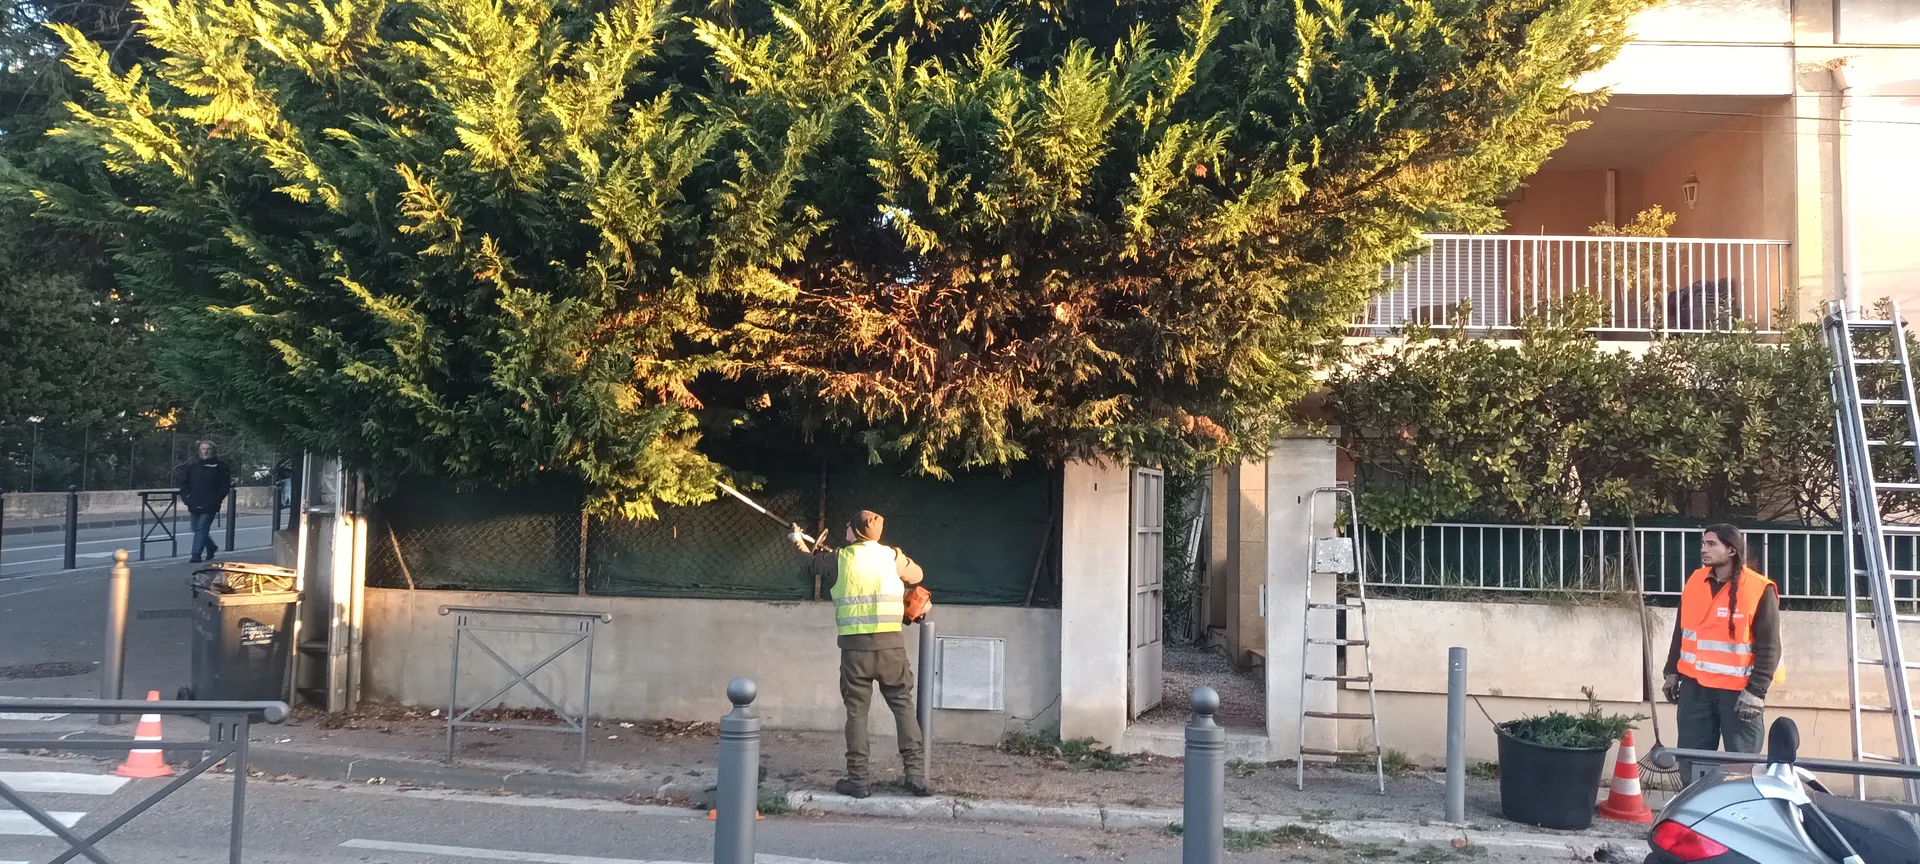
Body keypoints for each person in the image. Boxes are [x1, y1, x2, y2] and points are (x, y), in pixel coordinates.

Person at [792, 510, 929, 799]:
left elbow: (808, 566)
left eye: (848, 526)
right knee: (903, 708)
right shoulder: (892, 556)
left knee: (857, 714)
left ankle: (859, 781)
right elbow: (917, 575)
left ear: (855, 531)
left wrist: (797, 541)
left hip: (855, 651)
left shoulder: (841, 558)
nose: (845, 528)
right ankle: (915, 776)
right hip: (891, 648)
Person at [1663, 523, 1783, 781]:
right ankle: (1692, 813)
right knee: (1692, 759)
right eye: (1703, 543)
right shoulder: (1696, 580)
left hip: (1739, 693)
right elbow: (1681, 630)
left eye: (1711, 544)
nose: (1703, 550)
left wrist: (1756, 692)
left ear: (1731, 550)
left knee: (1741, 765)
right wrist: (1671, 671)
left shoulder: (1759, 589)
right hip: (1695, 689)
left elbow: (1769, 646)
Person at [178, 441, 233, 563]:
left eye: (208, 449)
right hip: (194, 502)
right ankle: (211, 547)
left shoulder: (221, 467)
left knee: (201, 529)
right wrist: (187, 498)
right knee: (195, 528)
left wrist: (215, 500)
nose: (205, 451)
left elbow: (224, 486)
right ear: (200, 451)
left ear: (213, 450)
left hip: (210, 504)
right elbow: (184, 483)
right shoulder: (193, 467)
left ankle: (196, 554)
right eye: (203, 449)